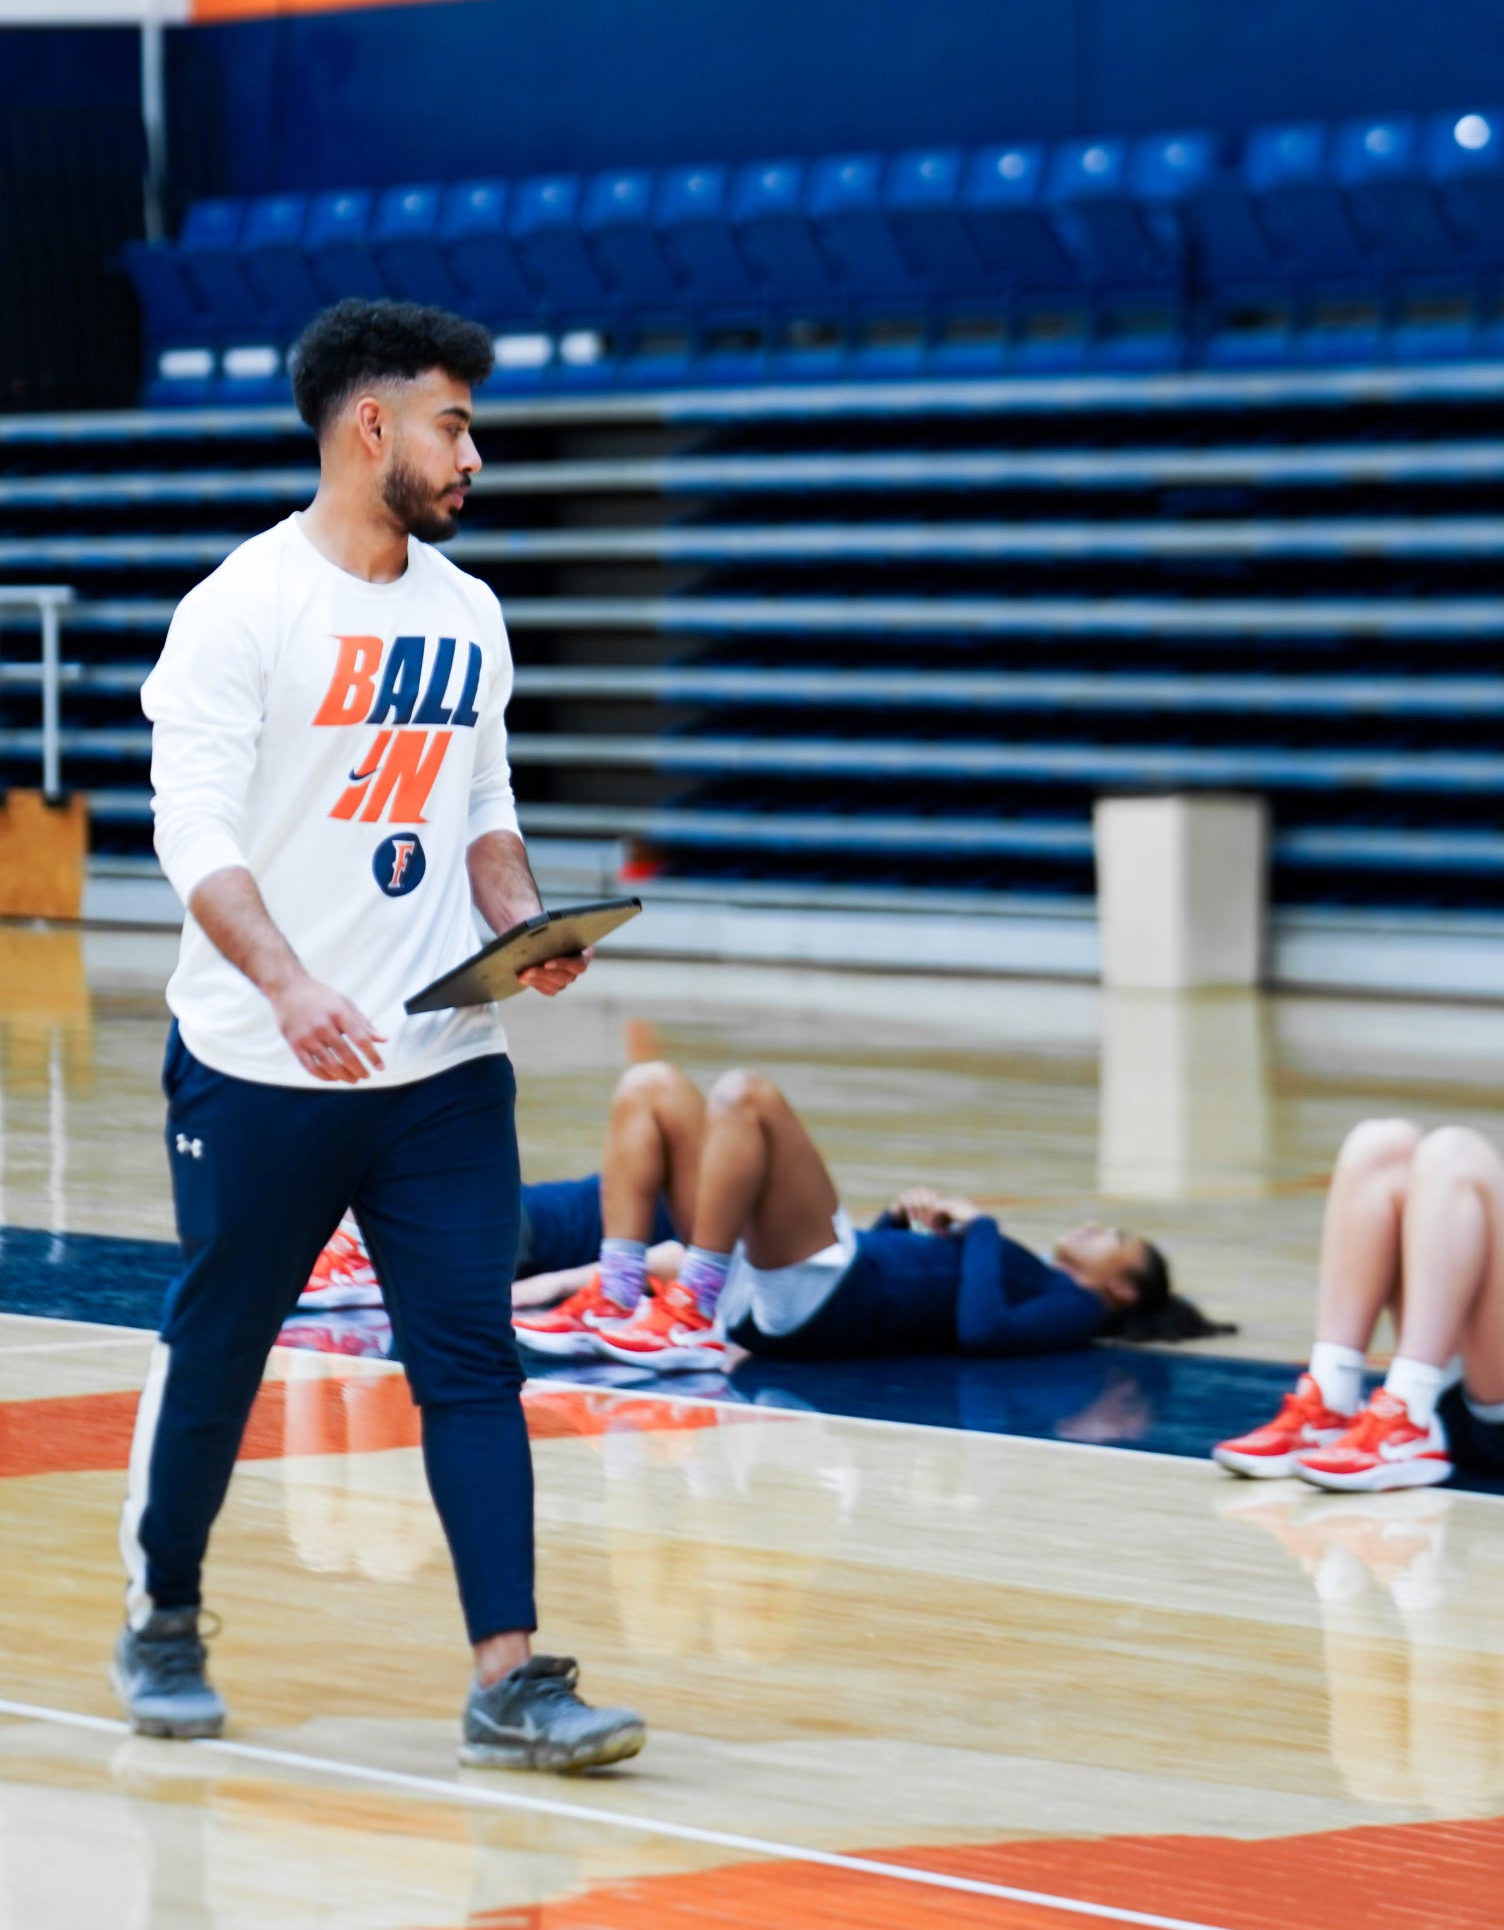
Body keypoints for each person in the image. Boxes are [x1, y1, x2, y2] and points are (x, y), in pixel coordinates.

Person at [114, 296, 645, 1775]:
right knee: (221, 1347)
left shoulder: (468, 614)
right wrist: (289, 985)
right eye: (452, 424)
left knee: (471, 1359)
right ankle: (163, 1617)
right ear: (371, 425)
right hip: (259, 1064)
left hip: (439, 1068)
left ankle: (509, 1678)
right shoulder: (238, 611)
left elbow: (484, 812)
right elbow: (192, 837)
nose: (472, 454)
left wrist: (523, 927)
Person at [505, 1060, 1202, 1370]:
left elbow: (983, 1332)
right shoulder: (1031, 1277)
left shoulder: (1076, 1306)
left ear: (1122, 1288)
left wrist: (980, 1225)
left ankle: (690, 1311)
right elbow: (914, 1284)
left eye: (1115, 1238)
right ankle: (620, 1293)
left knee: (747, 1096)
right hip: (815, 1283)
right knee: (650, 1085)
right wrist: (903, 1222)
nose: (1095, 1227)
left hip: (821, 1300)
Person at [1215, 1118, 1504, 1492]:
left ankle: (1409, 1415)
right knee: (1381, 1146)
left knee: (1456, 1153)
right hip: (1454, 1393)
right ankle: (1331, 1406)